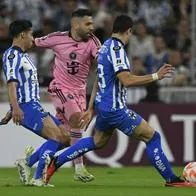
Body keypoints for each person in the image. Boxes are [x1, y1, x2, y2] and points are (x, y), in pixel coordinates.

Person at [44, 15, 196, 187]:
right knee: (152, 137)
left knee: (97, 142)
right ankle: (172, 180)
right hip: (115, 109)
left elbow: (99, 80)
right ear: (129, 31)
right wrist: (156, 76)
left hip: (103, 106)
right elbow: (126, 80)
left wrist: (91, 107)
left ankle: (55, 162)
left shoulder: (104, 47)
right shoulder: (117, 50)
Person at [18, 8, 100, 183]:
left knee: (63, 138)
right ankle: (79, 168)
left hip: (79, 93)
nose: (92, 27)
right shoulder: (57, 38)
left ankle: (27, 161)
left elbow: (102, 61)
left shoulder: (93, 42)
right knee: (77, 119)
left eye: (92, 23)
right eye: (88, 24)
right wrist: (14, 53)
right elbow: (31, 43)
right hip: (60, 89)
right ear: (75, 24)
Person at [2, 20, 73, 187]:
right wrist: (16, 108)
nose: (33, 38)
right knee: (55, 137)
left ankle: (27, 162)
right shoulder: (12, 55)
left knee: (66, 138)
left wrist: (11, 110)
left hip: (32, 105)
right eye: (31, 34)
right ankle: (39, 178)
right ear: (22, 35)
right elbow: (11, 83)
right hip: (26, 106)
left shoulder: (24, 56)